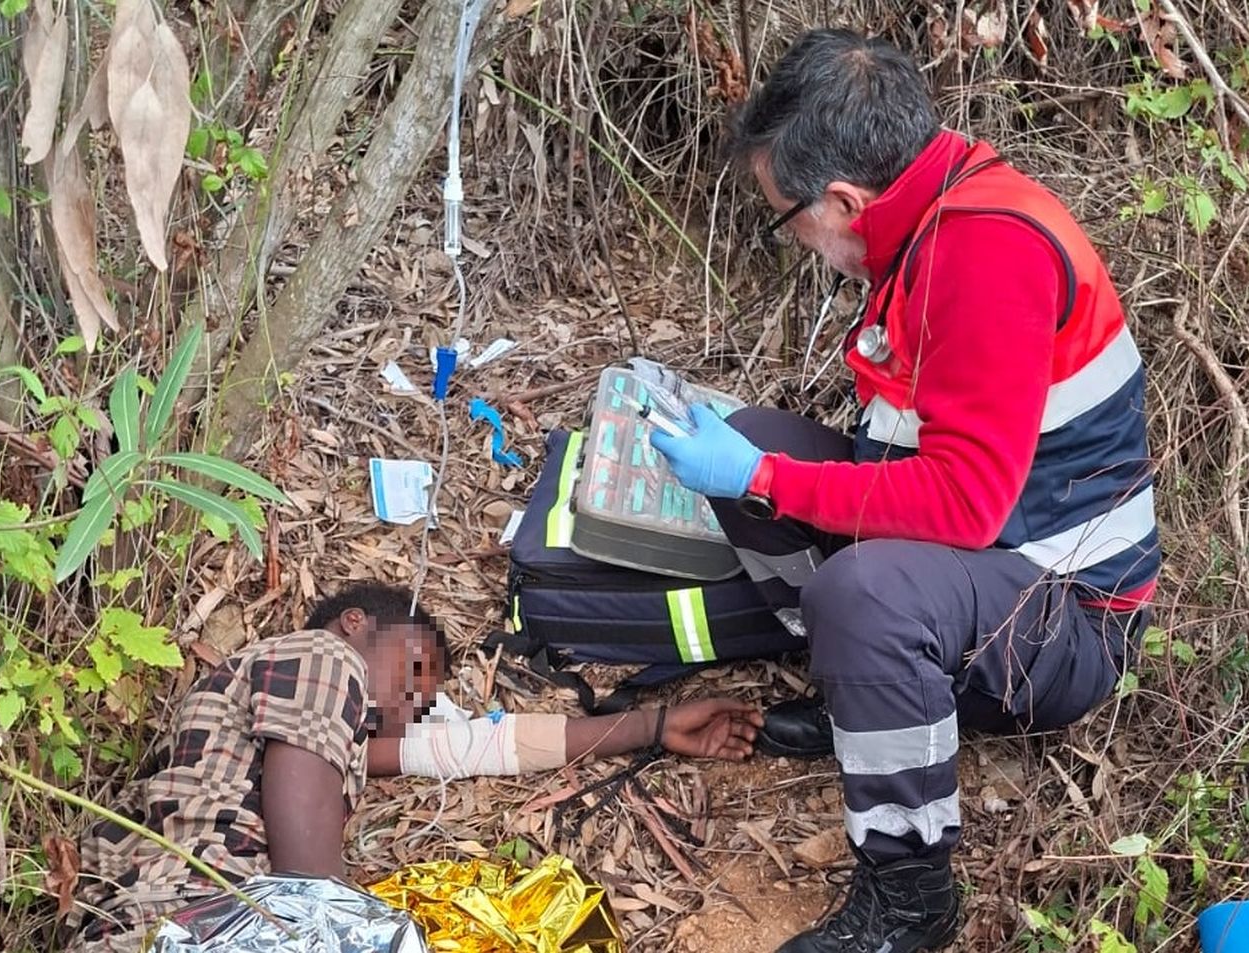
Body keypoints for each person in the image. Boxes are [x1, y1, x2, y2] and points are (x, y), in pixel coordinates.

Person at [648, 28, 1160, 953]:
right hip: (991, 567)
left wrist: (762, 478)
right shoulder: (936, 208)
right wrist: (756, 464)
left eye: (786, 217)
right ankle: (871, 695)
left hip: (1067, 613)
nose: (794, 238)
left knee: (859, 587)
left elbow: (966, 505)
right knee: (756, 442)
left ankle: (910, 893)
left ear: (843, 200)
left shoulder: (984, 255)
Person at [64, 582, 762, 951]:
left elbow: (487, 747)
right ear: (358, 623)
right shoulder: (321, 659)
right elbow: (313, 896)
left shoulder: (310, 731)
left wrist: (655, 725)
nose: (405, 712)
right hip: (186, 921)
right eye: (414, 678)